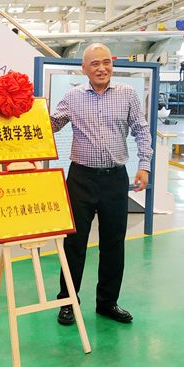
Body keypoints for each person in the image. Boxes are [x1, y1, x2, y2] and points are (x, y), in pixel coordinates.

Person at [50, 43, 153, 325]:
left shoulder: (127, 94)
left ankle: (108, 302)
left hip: (114, 180)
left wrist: (144, 165)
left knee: (113, 243)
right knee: (74, 243)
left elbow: (141, 129)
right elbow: (52, 124)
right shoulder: (72, 96)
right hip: (80, 179)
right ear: (84, 68)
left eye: (106, 62)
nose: (102, 68)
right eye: (94, 63)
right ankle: (68, 301)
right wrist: (21, 112)